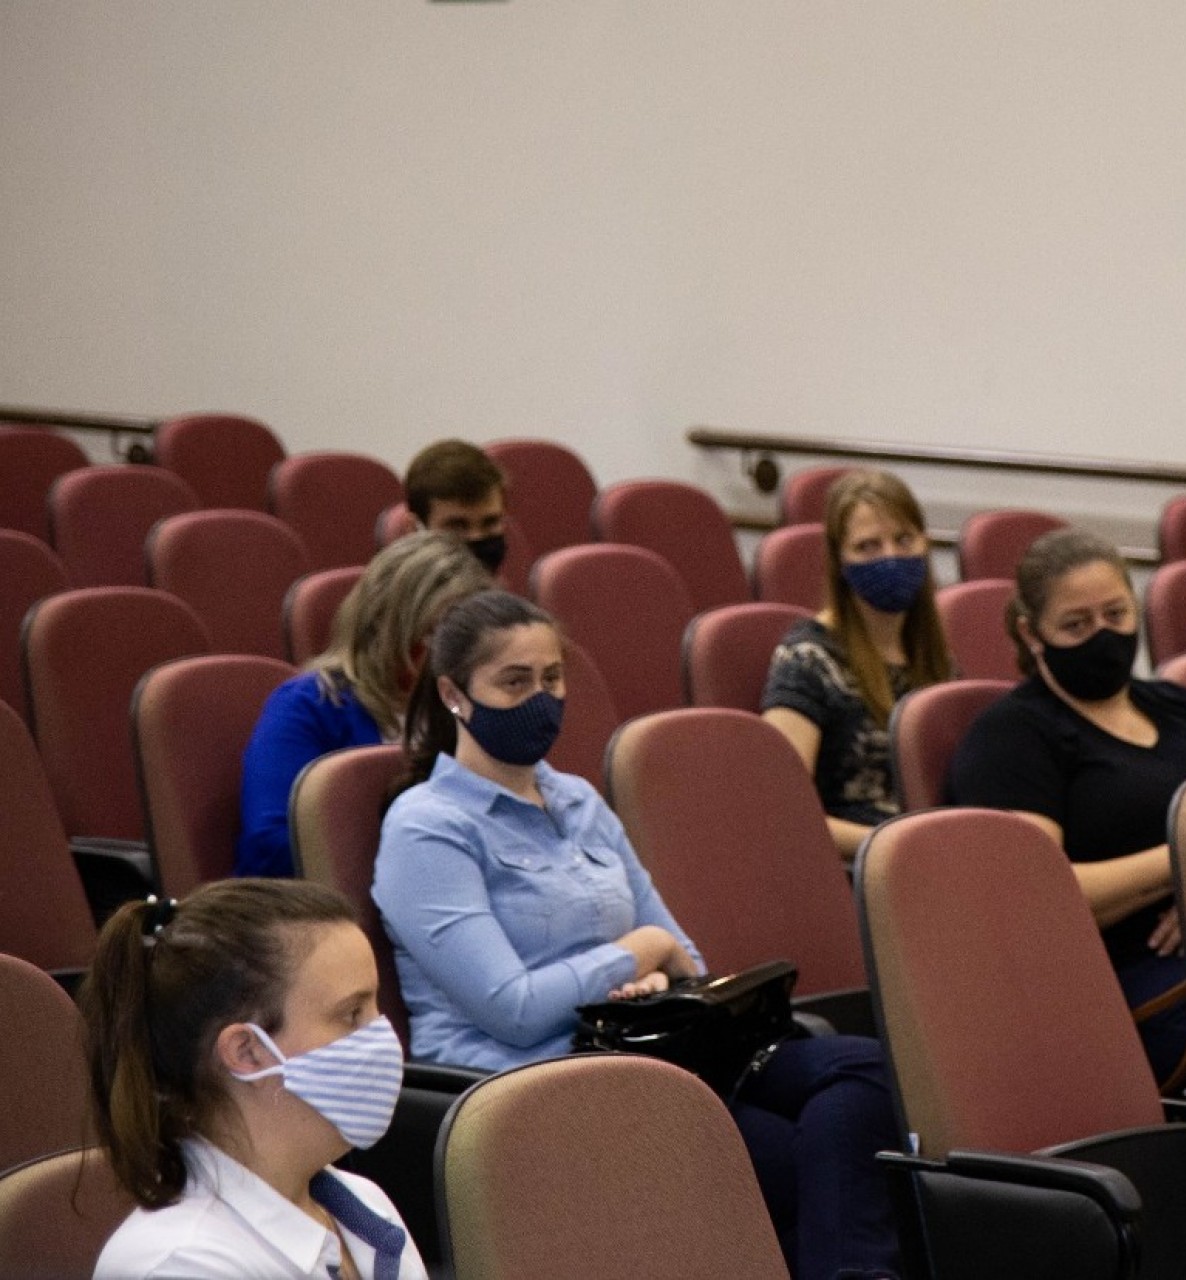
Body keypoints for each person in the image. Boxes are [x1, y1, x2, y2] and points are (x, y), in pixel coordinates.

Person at [373, 590, 900, 1280]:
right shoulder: (426, 826)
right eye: (515, 681)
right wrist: (633, 955)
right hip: (528, 1080)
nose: (541, 699)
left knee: (862, 1070)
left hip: (649, 1044)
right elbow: (514, 1007)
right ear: (453, 694)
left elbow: (689, 958)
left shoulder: (578, 800)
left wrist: (652, 971)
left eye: (551, 678)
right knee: (800, 1159)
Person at [950, 528, 1186, 1091]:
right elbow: (1041, 892)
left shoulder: (1178, 704)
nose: (1102, 637)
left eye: (1115, 615)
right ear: (1030, 632)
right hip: (1112, 982)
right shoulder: (1012, 734)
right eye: (1076, 625)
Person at [83, 880, 427, 1279]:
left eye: (375, 1008)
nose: (383, 1036)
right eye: (351, 1015)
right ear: (247, 1052)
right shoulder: (180, 1264)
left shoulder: (364, 1205)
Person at [236, 532, 491, 877]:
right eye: (439, 635)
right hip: (317, 913)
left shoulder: (468, 708)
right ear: (387, 625)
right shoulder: (310, 703)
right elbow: (268, 845)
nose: (454, 655)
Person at [762, 469, 952, 859]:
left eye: (903, 540)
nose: (890, 557)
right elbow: (780, 810)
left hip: (933, 856)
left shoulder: (937, 660)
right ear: (839, 561)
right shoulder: (807, 658)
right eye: (868, 546)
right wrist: (896, 845)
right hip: (858, 868)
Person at [403, 439, 509, 575]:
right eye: (457, 526)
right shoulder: (389, 594)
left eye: (490, 523)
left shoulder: (505, 595)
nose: (476, 537)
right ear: (414, 530)